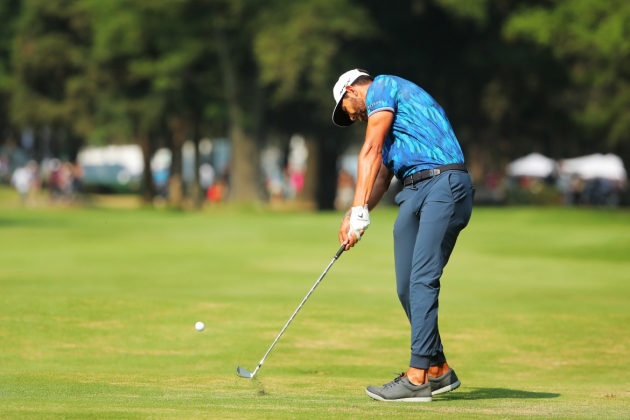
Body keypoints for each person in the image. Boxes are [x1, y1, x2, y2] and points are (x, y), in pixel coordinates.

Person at [333, 69, 474, 402]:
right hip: (414, 191)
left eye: (347, 111)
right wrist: (357, 214)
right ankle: (438, 369)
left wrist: (356, 210)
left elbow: (367, 151)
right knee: (406, 283)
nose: (352, 118)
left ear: (352, 91)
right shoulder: (393, 131)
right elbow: (380, 177)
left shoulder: (383, 86)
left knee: (422, 279)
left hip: (444, 183)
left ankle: (416, 378)